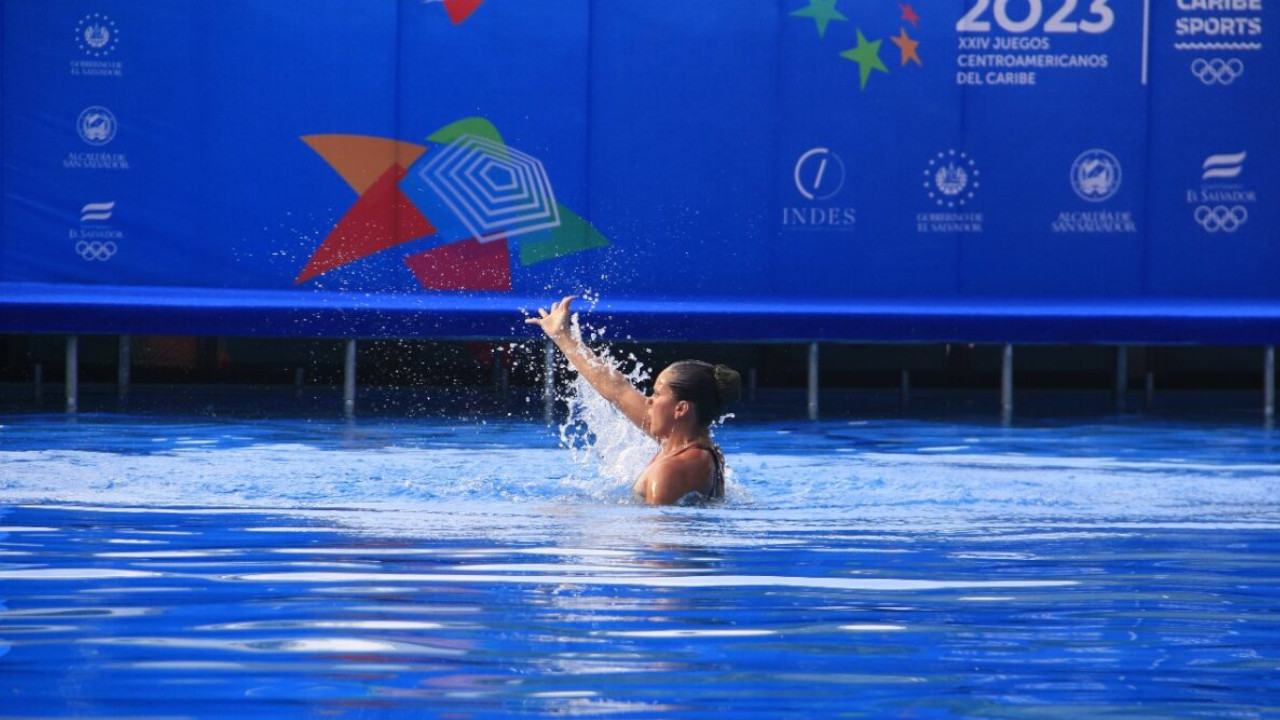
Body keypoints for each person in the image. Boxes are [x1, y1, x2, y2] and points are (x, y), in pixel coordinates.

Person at [526, 295, 741, 505]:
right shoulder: (691, 447)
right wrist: (562, 336)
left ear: (680, 409)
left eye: (657, 395)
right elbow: (618, 390)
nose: (649, 401)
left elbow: (661, 536)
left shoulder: (670, 471)